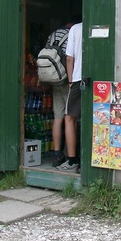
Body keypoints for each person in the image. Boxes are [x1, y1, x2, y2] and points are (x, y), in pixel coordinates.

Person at [46, 21, 75, 167]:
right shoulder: (72, 34)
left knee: (58, 118)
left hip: (54, 80)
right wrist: (71, 80)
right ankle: (72, 155)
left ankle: (57, 154)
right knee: (71, 118)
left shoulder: (52, 35)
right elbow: (70, 58)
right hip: (67, 80)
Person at [57, 19, 82, 172]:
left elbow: (69, 58)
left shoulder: (75, 29)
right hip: (99, 81)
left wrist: (71, 81)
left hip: (78, 79)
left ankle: (72, 160)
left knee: (70, 118)